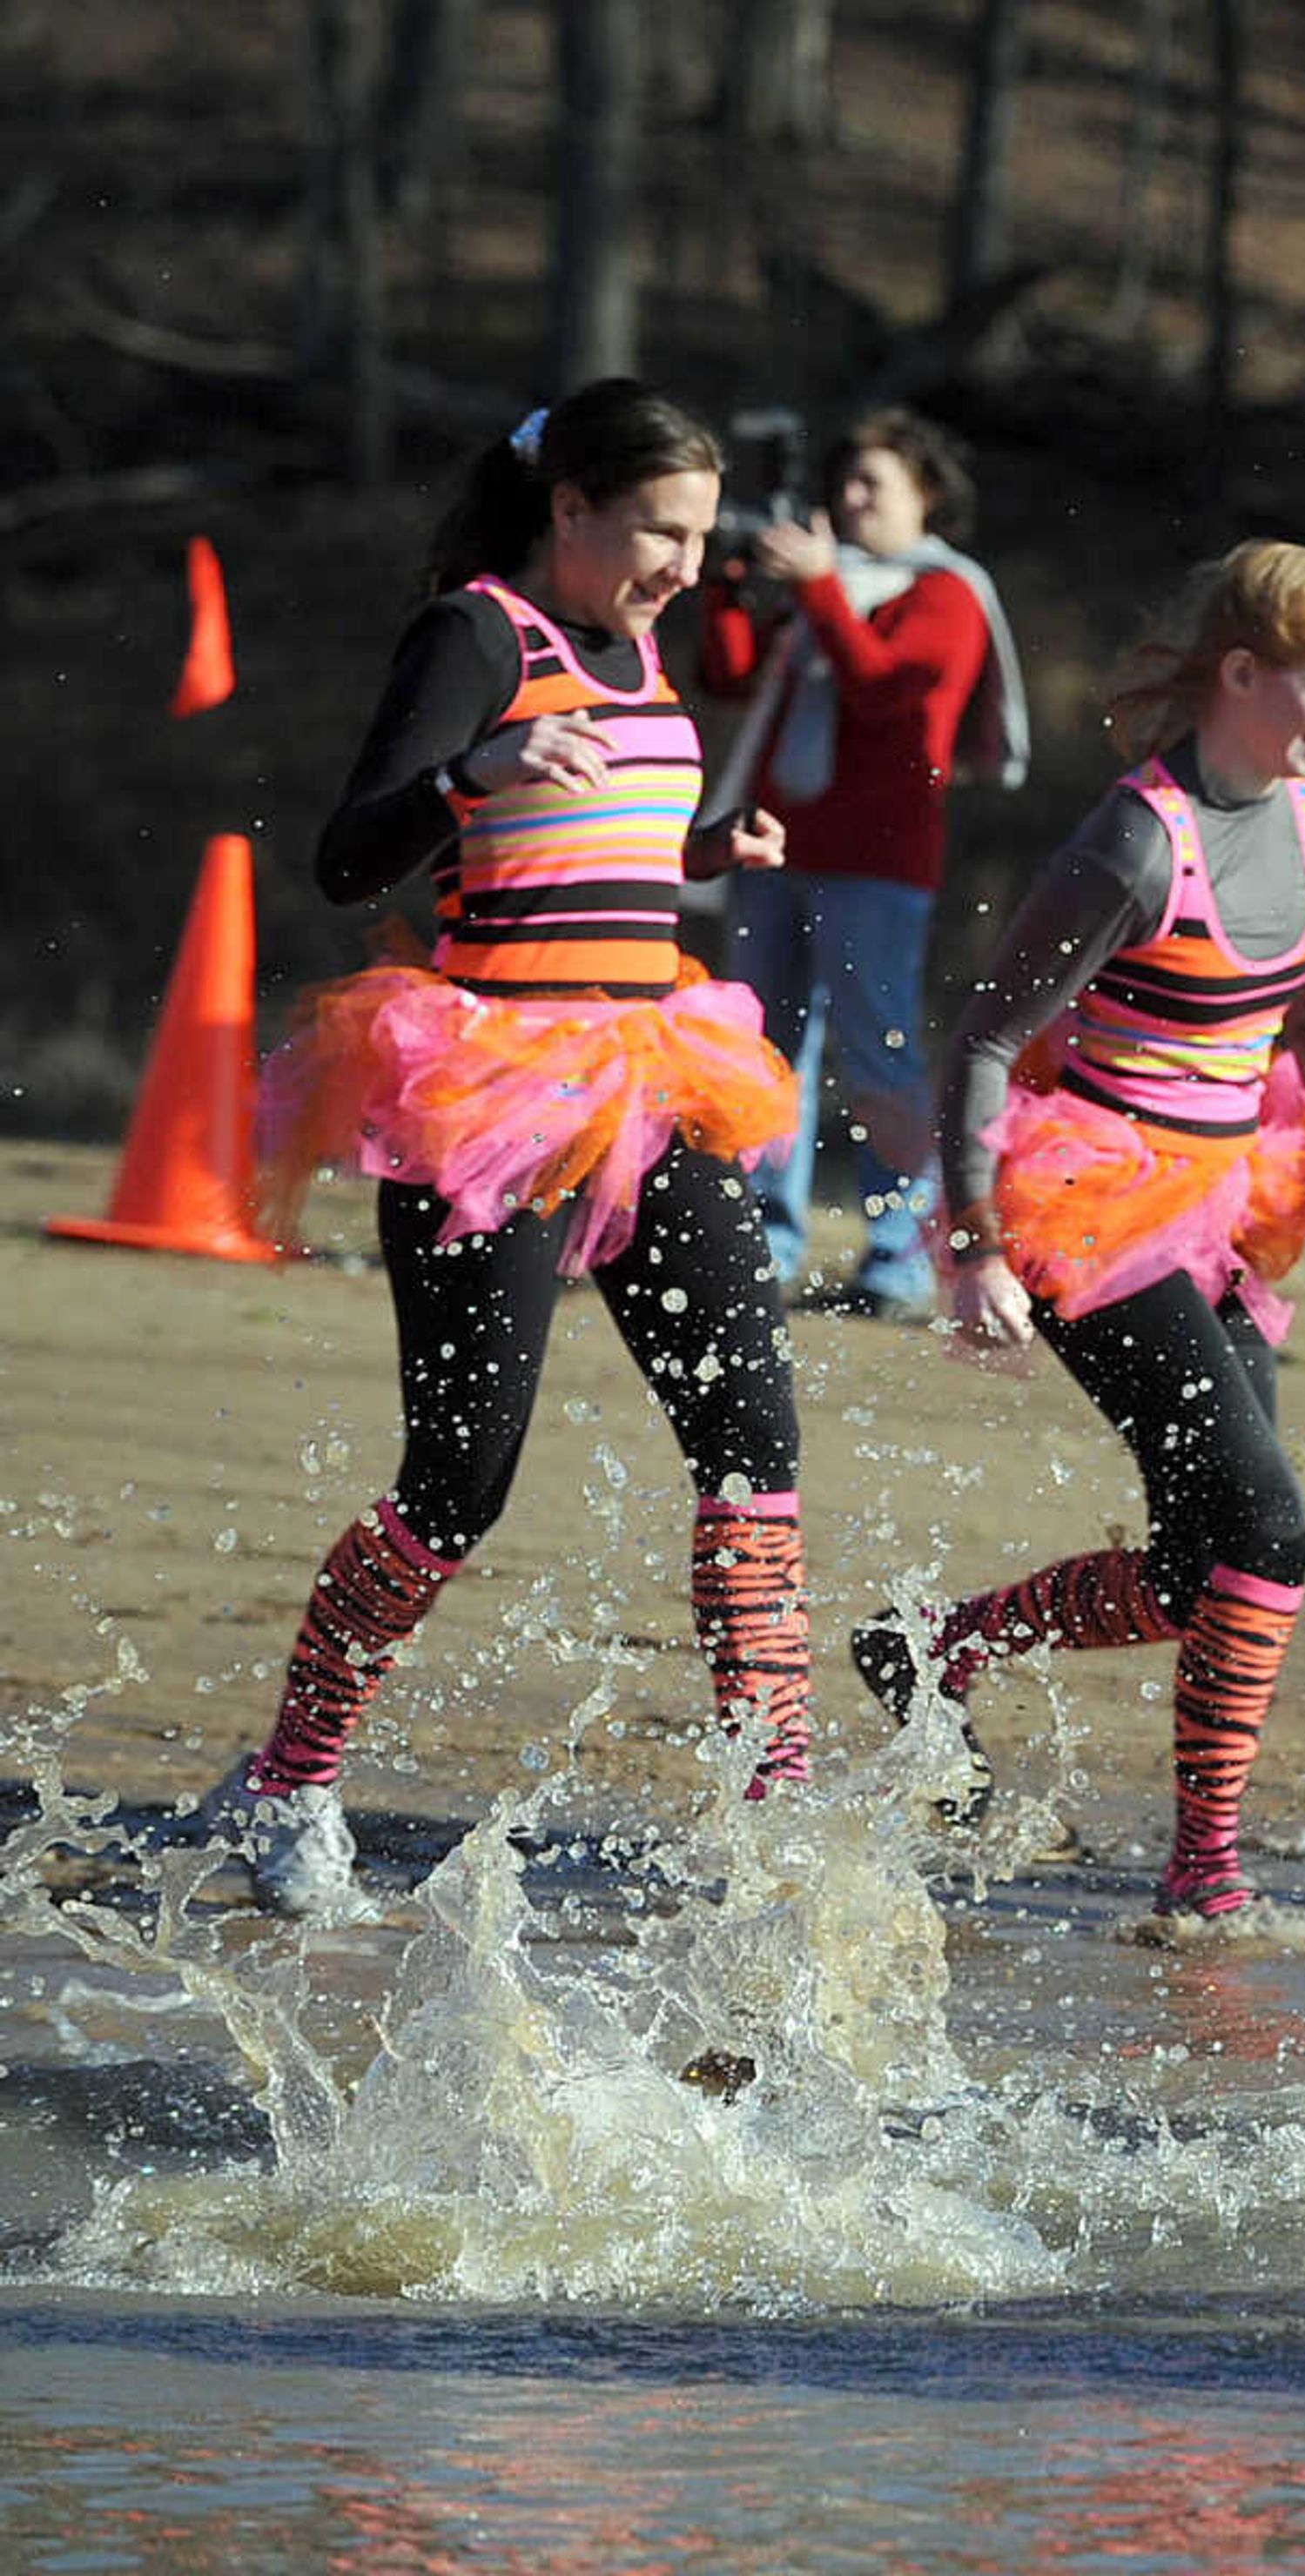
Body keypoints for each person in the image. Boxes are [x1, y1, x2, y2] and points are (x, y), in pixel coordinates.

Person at [225, 379, 814, 1922]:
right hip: (491, 1084)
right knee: (459, 1481)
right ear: (570, 510)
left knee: (752, 1441)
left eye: (700, 534)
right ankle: (290, 1778)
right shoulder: (479, 635)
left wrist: (697, 850)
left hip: (654, 1069)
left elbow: (584, 837)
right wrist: (467, 777)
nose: (685, 565)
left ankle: (780, 1805)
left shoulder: (638, 636)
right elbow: (353, 850)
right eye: (657, 531)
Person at [849, 541, 1305, 1929]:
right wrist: (984, 1240)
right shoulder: (1135, 836)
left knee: (1204, 1567)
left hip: (1237, 1196)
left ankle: (934, 1646)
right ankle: (1204, 1868)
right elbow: (985, 1042)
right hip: (1088, 1204)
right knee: (1273, 1529)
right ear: (1241, 674)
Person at [702, 406, 1029, 1319]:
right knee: (763, 1058)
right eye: (843, 482)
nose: (849, 499)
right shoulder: (830, 582)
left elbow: (887, 689)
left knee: (878, 1054)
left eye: (871, 483)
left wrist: (816, 592)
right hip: (773, 844)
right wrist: (730, 586)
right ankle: (764, 1245)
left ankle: (900, 1256)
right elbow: (728, 676)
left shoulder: (949, 593)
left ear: (925, 495)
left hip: (878, 862)